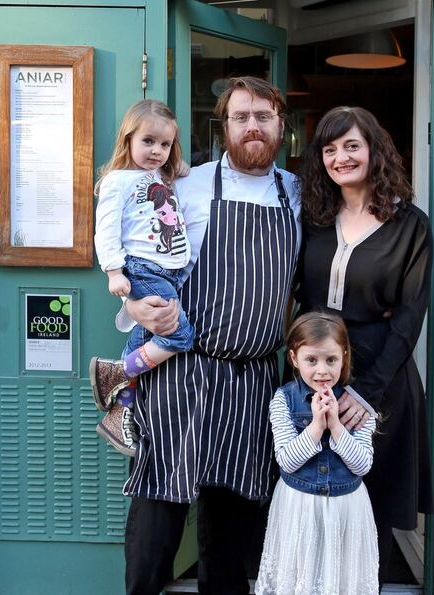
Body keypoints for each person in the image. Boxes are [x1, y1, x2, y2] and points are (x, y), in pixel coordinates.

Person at [118, 76, 301, 595]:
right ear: (223, 128)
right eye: (240, 117)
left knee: (233, 518)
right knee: (160, 504)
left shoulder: (298, 193)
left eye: (263, 116)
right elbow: (133, 253)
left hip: (256, 377)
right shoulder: (185, 185)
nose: (252, 126)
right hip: (184, 369)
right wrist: (132, 304)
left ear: (281, 126)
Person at [294, 106, 433, 586]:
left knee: (368, 511)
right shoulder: (313, 218)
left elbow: (410, 317)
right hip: (312, 375)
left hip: (379, 380)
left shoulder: (410, 225)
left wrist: (366, 393)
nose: (340, 158)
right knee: (309, 498)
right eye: (330, 149)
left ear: (374, 149)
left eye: (351, 145)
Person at [89, 100, 192, 457]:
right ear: (128, 138)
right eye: (148, 141)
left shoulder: (160, 176)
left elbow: (178, 170)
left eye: (165, 145)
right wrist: (114, 271)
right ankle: (117, 372)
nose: (157, 151)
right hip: (143, 269)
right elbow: (105, 231)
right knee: (179, 333)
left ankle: (122, 408)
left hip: (171, 272)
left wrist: (173, 165)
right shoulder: (117, 181)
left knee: (145, 334)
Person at [255, 311, 378, 595]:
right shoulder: (283, 400)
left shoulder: (357, 405)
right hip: (300, 506)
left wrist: (335, 425)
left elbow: (362, 464)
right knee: (300, 576)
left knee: (339, 579)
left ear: (344, 356)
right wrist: (315, 427)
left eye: (331, 360)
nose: (322, 370)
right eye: (312, 360)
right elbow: (286, 460)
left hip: (346, 508)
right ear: (295, 358)